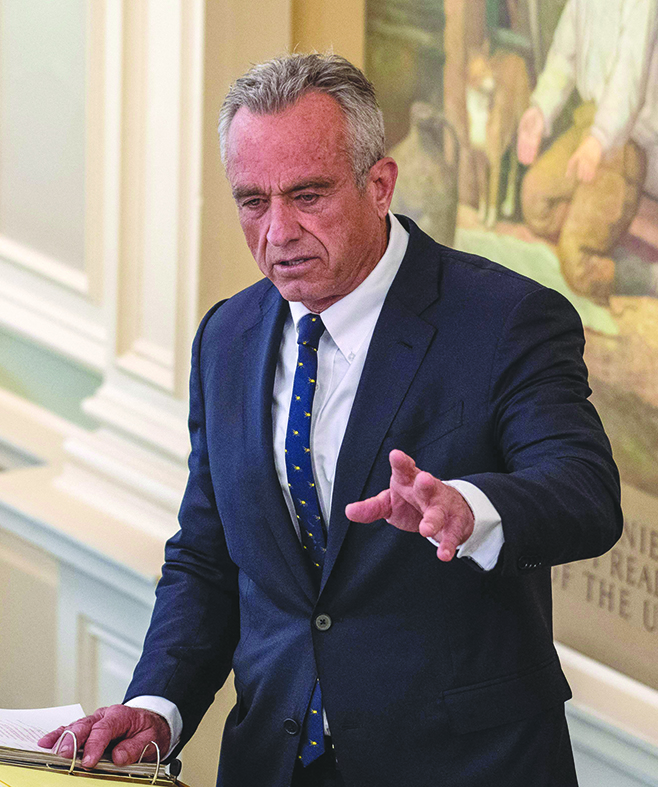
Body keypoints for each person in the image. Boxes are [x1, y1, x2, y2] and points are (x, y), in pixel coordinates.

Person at [40, 53, 622, 786]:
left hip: (463, 765)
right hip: (274, 764)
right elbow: (208, 556)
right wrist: (158, 705)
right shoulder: (227, 337)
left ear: (379, 185)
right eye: (252, 201)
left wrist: (467, 509)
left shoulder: (505, 321)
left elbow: (586, 494)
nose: (277, 231)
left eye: (307, 196)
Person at [515, 0, 658, 341]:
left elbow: (628, 79)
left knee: (576, 264)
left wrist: (599, 140)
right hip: (585, 124)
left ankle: (652, 277)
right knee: (534, 198)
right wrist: (540, 110)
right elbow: (563, 57)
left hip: (623, 142)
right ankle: (593, 230)